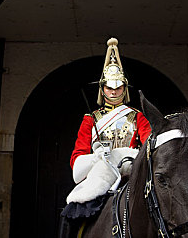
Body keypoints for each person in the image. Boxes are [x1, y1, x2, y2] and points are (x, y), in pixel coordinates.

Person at [59, 38, 151, 237]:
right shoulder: (90, 120)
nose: (114, 91)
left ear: (124, 88)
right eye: (110, 87)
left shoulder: (138, 117)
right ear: (103, 89)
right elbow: (78, 155)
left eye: (118, 87)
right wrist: (95, 157)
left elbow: (149, 145)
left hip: (132, 171)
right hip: (101, 172)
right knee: (72, 211)